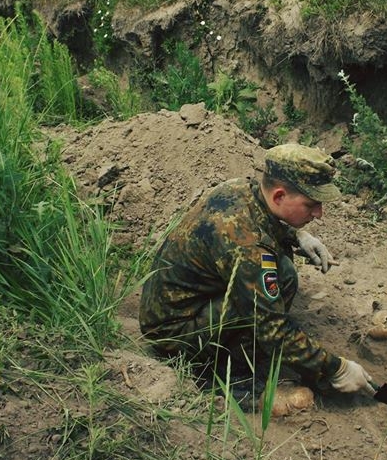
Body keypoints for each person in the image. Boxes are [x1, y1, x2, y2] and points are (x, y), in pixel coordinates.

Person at [139, 143, 374, 409]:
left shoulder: (240, 188)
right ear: (279, 196)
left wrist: (296, 235)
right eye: (311, 204)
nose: (318, 214)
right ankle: (229, 378)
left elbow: (256, 221)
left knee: (283, 271)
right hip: (174, 335)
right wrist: (336, 368)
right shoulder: (248, 247)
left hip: (175, 307)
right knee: (278, 282)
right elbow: (273, 330)